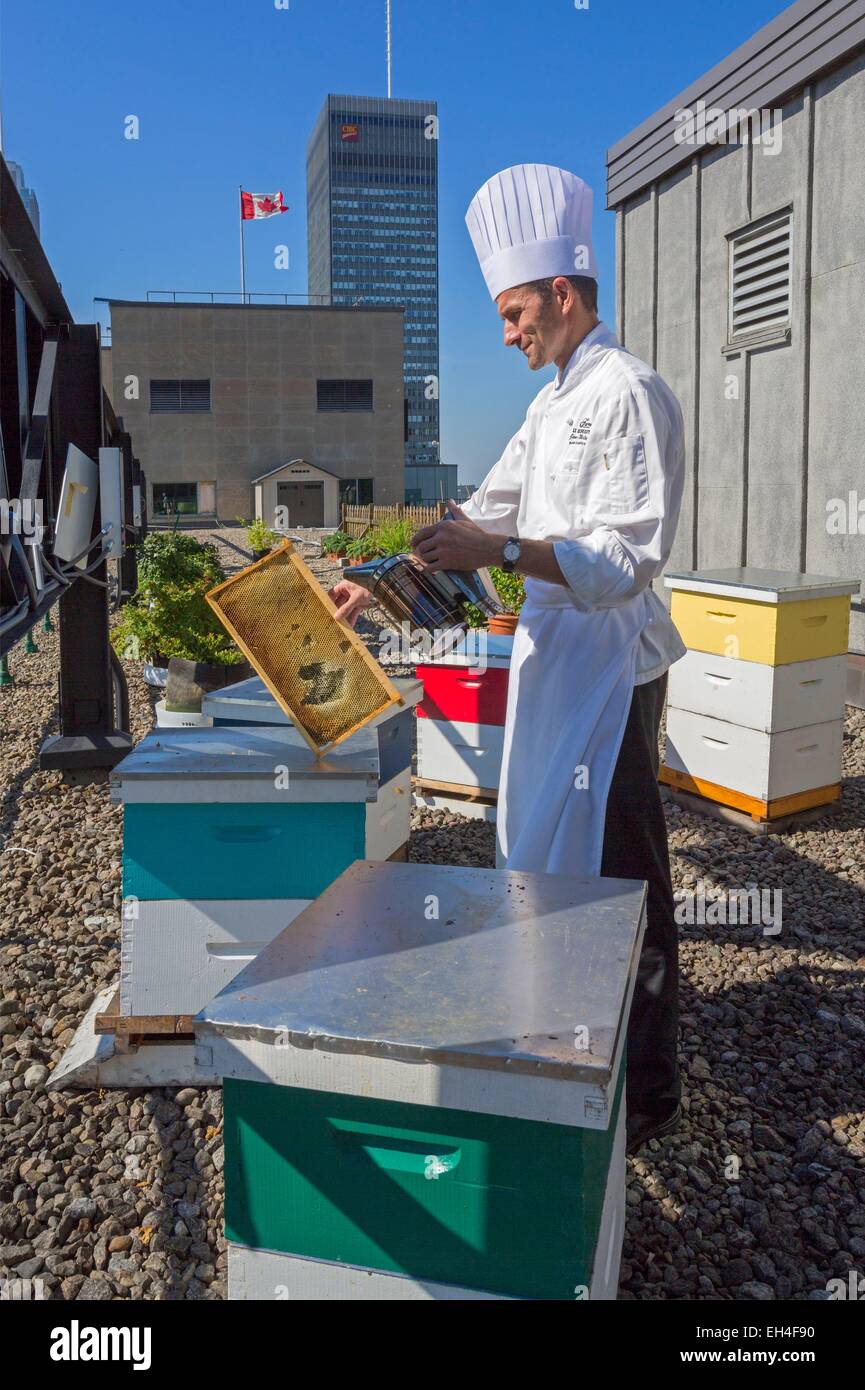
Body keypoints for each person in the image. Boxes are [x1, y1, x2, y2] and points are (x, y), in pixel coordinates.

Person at [331, 164, 686, 1154]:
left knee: (623, 873)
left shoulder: (632, 393)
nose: (506, 332)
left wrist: (500, 554)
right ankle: (562, 1036)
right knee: (540, 855)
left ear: (563, 295)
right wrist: (378, 580)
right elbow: (481, 513)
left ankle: (647, 1088)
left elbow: (625, 559)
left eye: (514, 310)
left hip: (610, 666)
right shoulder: (550, 404)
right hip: (550, 656)